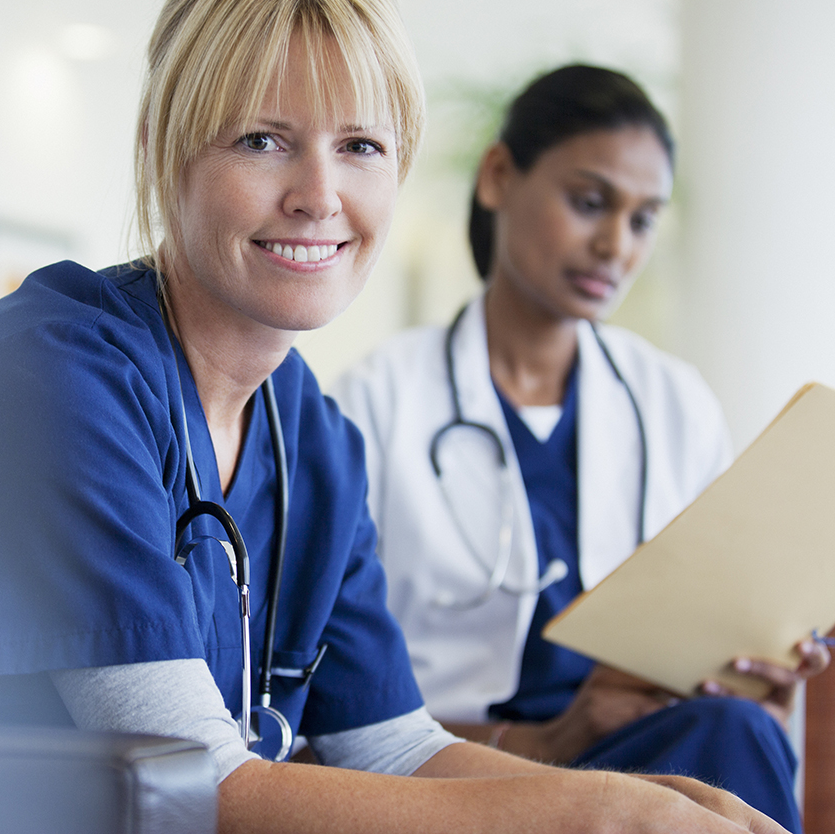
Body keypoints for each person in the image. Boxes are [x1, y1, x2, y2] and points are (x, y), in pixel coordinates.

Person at [0, 0, 796, 831]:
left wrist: (653, 802)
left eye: (361, 146)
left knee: (712, 763)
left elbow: (393, 746)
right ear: (166, 149)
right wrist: (596, 812)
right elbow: (195, 788)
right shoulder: (51, 377)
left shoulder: (310, 431)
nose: (318, 194)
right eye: (263, 140)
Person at [331, 63, 830, 834]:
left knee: (737, 729)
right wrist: (549, 740)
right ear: (499, 175)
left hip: (653, 750)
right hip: (463, 776)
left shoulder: (673, 402)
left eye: (643, 219)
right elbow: (341, 721)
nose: (614, 245)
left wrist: (755, 670)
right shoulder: (377, 401)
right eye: (590, 202)